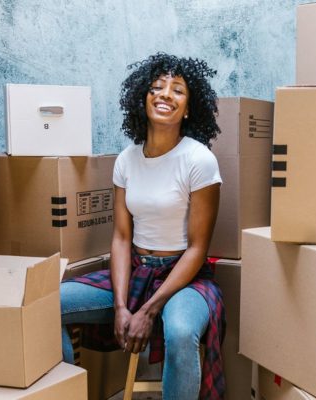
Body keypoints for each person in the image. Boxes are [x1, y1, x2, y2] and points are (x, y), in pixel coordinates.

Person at [60, 52, 226, 400]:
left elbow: (198, 248)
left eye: (177, 90)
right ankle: (61, 393)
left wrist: (149, 310)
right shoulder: (127, 159)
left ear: (188, 108)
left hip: (184, 279)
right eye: (157, 87)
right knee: (48, 303)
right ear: (143, 97)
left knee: (181, 332)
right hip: (136, 272)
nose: (165, 94)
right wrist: (121, 307)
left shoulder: (199, 160)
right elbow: (121, 238)